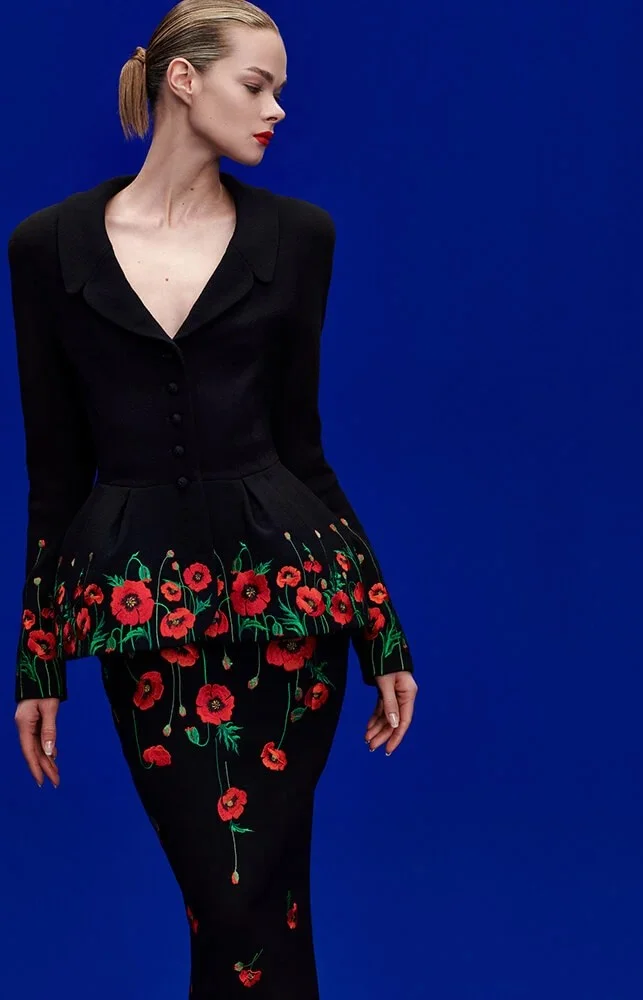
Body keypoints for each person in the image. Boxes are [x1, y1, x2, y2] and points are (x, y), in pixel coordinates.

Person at [9, 1, 418, 996]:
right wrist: (37, 660)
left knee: (264, 898)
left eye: (278, 89)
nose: (277, 108)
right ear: (183, 82)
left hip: (295, 609)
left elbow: (303, 451)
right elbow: (54, 474)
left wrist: (383, 633)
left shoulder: (298, 237)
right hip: (142, 613)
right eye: (257, 84)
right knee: (225, 902)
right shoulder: (47, 248)